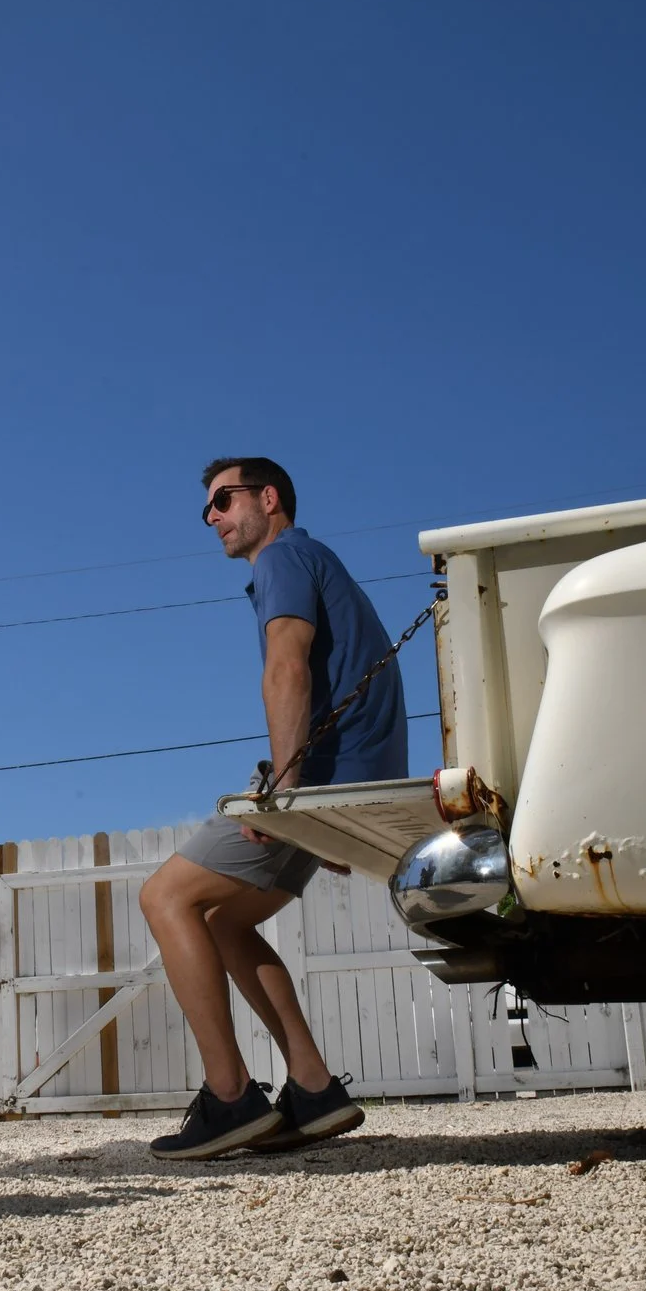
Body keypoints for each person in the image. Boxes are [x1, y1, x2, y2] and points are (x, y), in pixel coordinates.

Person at [137, 457, 406, 1160]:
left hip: (315, 782)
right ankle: (314, 1088)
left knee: (165, 897)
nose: (213, 518)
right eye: (206, 510)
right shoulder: (317, 560)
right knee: (223, 921)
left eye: (224, 500)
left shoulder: (285, 556)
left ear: (269, 497)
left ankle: (229, 1098)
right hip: (341, 780)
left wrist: (281, 794)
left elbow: (287, 665)